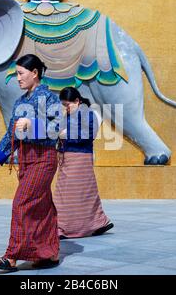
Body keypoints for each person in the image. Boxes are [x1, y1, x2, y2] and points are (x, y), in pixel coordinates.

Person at [0, 54, 61, 271]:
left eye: (21, 73)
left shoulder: (50, 98)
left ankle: (11, 256)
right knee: (43, 207)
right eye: (17, 73)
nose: (18, 78)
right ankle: (48, 253)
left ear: (35, 73)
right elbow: (12, 131)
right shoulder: (20, 102)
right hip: (26, 159)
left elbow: (56, 129)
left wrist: (32, 124)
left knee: (21, 203)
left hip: (44, 158)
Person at [53, 87, 113, 239]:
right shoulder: (65, 116)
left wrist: (67, 135)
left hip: (81, 158)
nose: (65, 108)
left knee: (84, 193)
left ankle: (95, 223)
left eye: (68, 104)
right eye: (63, 105)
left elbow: (88, 135)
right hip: (66, 157)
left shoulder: (89, 115)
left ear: (77, 101)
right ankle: (62, 226)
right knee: (64, 193)